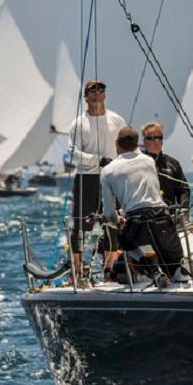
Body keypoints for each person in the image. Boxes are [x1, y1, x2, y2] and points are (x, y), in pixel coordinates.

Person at [100, 126, 184, 280]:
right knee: (175, 266)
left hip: (137, 224)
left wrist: (118, 220)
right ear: (138, 144)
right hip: (163, 218)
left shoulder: (107, 171)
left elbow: (110, 214)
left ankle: (152, 270)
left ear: (117, 143)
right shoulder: (149, 161)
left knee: (125, 241)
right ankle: (179, 273)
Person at [68, 79, 126, 275]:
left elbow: (126, 147)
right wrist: (97, 160)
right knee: (80, 225)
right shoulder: (78, 123)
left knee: (112, 223)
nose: (97, 92)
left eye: (101, 88)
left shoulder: (117, 120)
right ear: (85, 97)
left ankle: (108, 268)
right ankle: (77, 269)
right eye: (92, 90)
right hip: (87, 178)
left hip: (112, 178)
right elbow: (73, 152)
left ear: (105, 94)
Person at [141, 121, 190, 213]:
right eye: (151, 138)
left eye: (159, 137)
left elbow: (183, 190)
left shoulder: (173, 163)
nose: (156, 141)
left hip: (169, 217)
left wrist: (184, 209)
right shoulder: (137, 164)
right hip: (145, 217)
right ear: (144, 141)